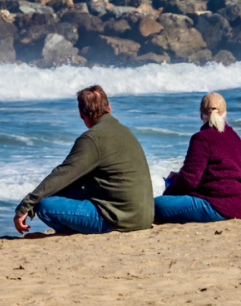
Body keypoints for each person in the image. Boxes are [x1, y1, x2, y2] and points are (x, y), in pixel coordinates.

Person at [14, 86, 154, 236]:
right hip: (143, 217)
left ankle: (67, 233)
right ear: (109, 107)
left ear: (81, 114)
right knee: (64, 192)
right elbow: (73, 179)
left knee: (44, 205)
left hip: (118, 219)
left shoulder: (92, 139)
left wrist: (26, 205)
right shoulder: (125, 130)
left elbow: (62, 175)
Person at [154, 92, 241, 224]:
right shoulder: (234, 136)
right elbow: (221, 172)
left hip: (219, 206)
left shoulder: (201, 138)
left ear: (201, 115)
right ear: (225, 113)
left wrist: (169, 194)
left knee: (154, 204)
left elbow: (189, 179)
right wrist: (179, 176)